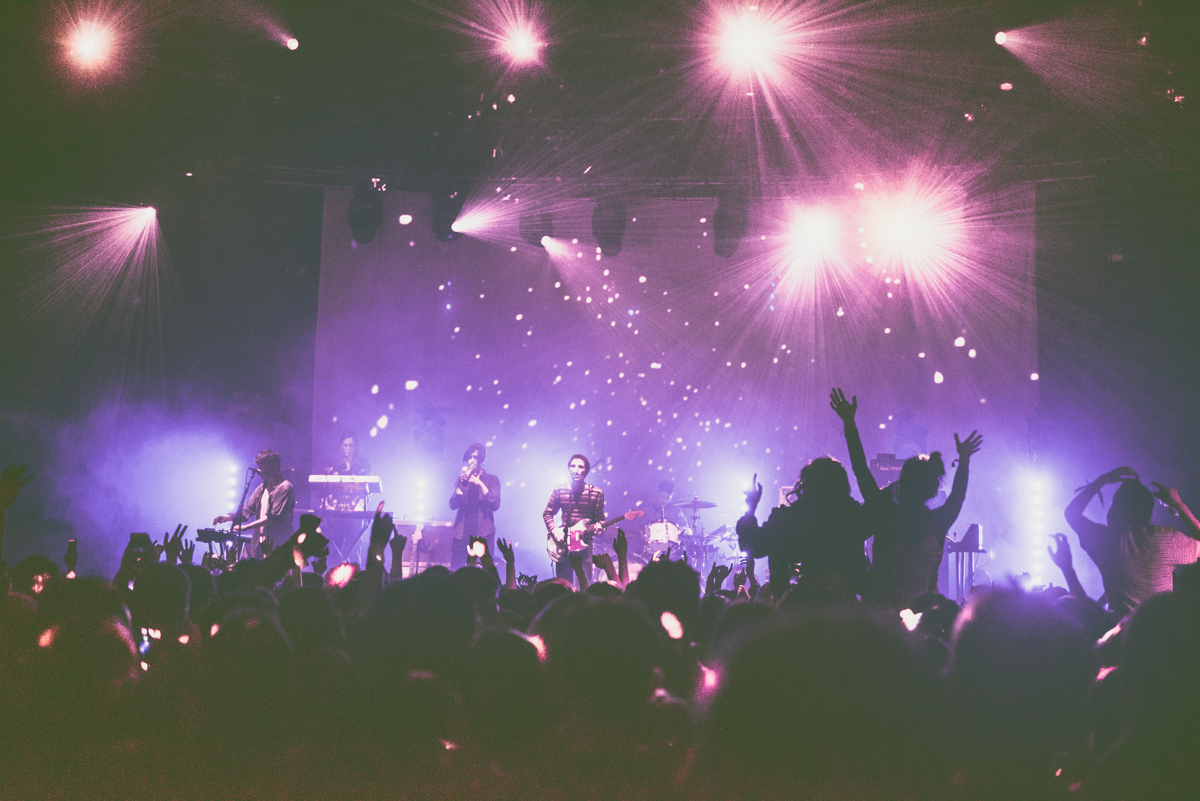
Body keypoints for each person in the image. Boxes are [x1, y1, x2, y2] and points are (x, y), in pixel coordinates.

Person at [831, 388, 981, 610]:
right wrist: (964, 461)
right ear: (932, 489)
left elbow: (860, 469)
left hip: (878, 619)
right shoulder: (937, 523)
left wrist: (849, 424)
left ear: (901, 483)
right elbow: (957, 497)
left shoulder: (883, 512)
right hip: (922, 618)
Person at [1064, 466, 1200, 618]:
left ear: (1115, 508)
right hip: (1163, 634)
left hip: (1123, 637)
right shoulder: (1166, 539)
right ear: (1148, 510)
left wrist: (1102, 480)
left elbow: (1071, 514)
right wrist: (1178, 504)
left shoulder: (1104, 540)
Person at [736, 457, 871, 596]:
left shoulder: (792, 517)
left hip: (801, 608)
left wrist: (751, 507)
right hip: (846, 606)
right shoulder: (853, 514)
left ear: (806, 486)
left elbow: (753, 546)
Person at [214, 449, 296, 557]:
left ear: (274, 465)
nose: (259, 470)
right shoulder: (262, 488)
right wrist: (228, 518)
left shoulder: (285, 488)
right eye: (259, 466)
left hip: (278, 545)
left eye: (262, 466)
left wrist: (247, 527)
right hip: (259, 544)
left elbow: (272, 518)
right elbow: (246, 511)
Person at [543, 454, 605, 586]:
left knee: (584, 585)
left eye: (580, 466)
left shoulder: (596, 492)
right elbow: (547, 513)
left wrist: (600, 527)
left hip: (584, 543)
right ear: (568, 469)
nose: (576, 469)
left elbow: (600, 520)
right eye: (573, 466)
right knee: (563, 586)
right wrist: (555, 531)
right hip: (564, 543)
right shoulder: (560, 489)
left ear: (586, 471)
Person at [449, 443, 501, 570]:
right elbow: (452, 505)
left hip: (484, 533)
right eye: (469, 458)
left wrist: (479, 483)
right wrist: (459, 488)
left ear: (482, 460)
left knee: (485, 573)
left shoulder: (492, 480)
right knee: (456, 571)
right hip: (462, 534)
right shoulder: (461, 480)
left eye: (475, 457)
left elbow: (495, 504)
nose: (471, 461)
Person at [320, 432, 373, 512]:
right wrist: (326, 504)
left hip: (356, 512)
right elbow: (325, 488)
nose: (348, 448)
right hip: (335, 511)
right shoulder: (333, 465)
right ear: (341, 446)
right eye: (345, 445)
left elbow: (369, 490)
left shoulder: (364, 466)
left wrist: (359, 505)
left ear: (356, 446)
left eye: (351, 445)